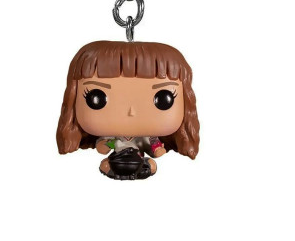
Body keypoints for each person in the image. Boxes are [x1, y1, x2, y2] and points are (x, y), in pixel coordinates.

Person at [56, 40, 200, 180]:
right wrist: (106, 145)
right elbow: (104, 146)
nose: (131, 112)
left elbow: (154, 148)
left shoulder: (145, 138)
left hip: (139, 160)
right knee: (106, 165)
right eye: (96, 98)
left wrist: (157, 150)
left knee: (151, 165)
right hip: (117, 159)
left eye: (163, 99)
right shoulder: (114, 139)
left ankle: (142, 169)